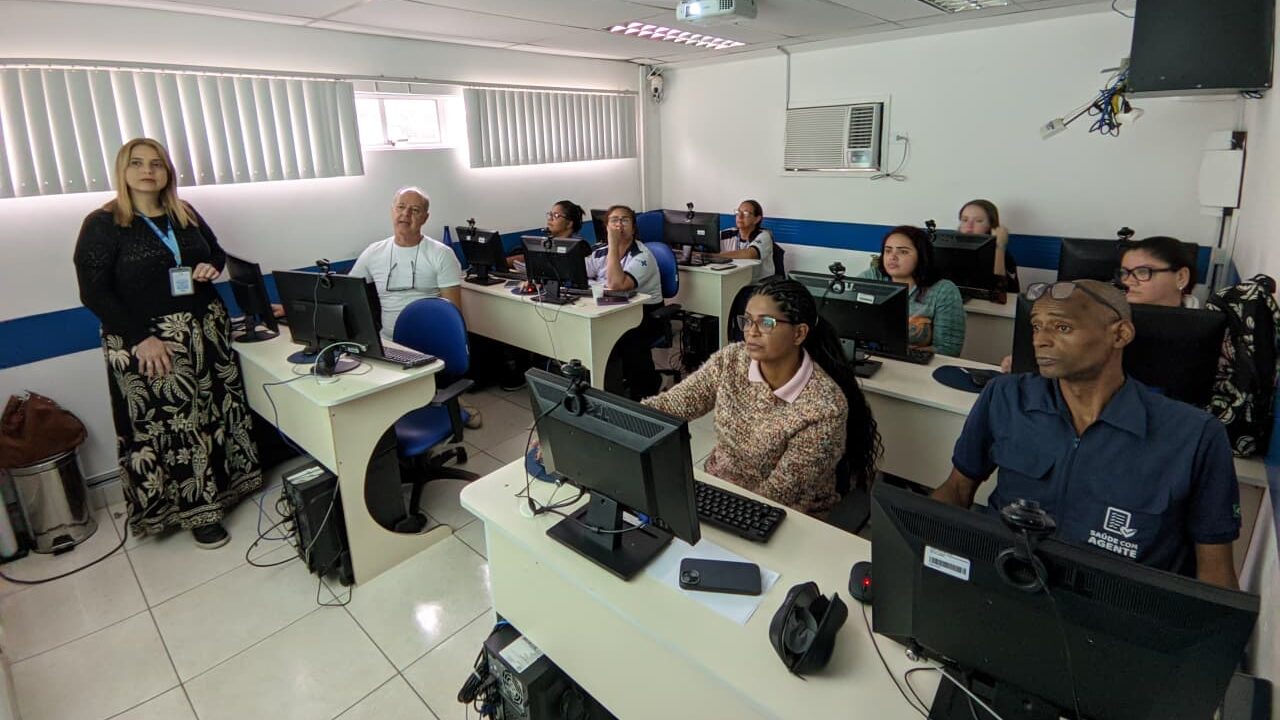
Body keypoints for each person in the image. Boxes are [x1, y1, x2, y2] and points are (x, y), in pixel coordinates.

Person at [933, 280, 1240, 588]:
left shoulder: (1194, 435)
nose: (1040, 340)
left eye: (1062, 328)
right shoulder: (1007, 396)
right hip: (1004, 582)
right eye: (1037, 326)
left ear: (1120, 334)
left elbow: (1214, 573)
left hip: (1114, 610)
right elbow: (957, 490)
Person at [74, 138, 261, 549]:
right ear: (122, 171)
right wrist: (142, 338)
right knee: (176, 427)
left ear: (167, 171)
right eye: (137, 163)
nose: (148, 170)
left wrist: (210, 266)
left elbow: (214, 250)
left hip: (205, 331)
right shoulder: (103, 224)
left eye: (156, 163)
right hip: (149, 341)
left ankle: (227, 491)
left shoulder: (184, 213)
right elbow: (95, 292)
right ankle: (195, 513)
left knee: (216, 412)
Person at [642, 279, 881, 515]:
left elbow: (781, 494)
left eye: (766, 323)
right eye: (747, 321)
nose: (751, 332)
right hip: (718, 490)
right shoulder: (732, 360)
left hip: (788, 516)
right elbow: (672, 406)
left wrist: (709, 511)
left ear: (799, 333)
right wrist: (621, 420)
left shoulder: (824, 406)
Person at [350, 187, 480, 427]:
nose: (405, 214)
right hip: (386, 342)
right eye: (401, 207)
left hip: (428, 346)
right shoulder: (374, 252)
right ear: (392, 211)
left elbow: (452, 313)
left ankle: (447, 400)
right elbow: (346, 293)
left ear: (425, 218)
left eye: (415, 210)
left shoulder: (441, 254)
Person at [590, 205, 666, 400]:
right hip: (612, 310)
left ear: (633, 228)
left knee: (625, 340)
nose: (619, 225)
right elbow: (576, 271)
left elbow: (617, 284)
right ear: (606, 226)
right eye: (614, 220)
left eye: (625, 220)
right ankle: (602, 387)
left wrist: (613, 245)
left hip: (645, 315)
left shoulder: (642, 256)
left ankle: (646, 389)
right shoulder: (600, 252)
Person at [858, 225, 966, 356]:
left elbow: (948, 349)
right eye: (888, 251)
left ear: (921, 256)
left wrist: (907, 355)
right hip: (870, 358)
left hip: (917, 367)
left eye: (902, 252)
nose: (892, 257)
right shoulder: (871, 278)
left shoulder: (943, 290)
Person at [1116, 236, 1200, 308]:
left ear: (1181, 277)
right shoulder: (1110, 319)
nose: (1128, 281)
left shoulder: (1203, 325)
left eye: (1142, 272)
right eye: (1124, 272)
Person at [958, 199, 1019, 292]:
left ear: (991, 225)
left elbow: (1001, 289)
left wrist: (1000, 246)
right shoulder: (951, 248)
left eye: (978, 221)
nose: (969, 225)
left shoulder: (1002, 253)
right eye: (965, 220)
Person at [507, 200, 587, 270]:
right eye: (550, 214)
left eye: (556, 216)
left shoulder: (580, 246)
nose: (550, 219)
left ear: (569, 223)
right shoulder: (550, 242)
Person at [716, 200, 776, 282]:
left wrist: (716, 256)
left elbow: (750, 254)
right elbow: (709, 242)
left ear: (757, 219)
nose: (740, 216)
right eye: (738, 212)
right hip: (733, 279)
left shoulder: (764, 235)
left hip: (758, 284)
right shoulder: (727, 233)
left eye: (746, 213)